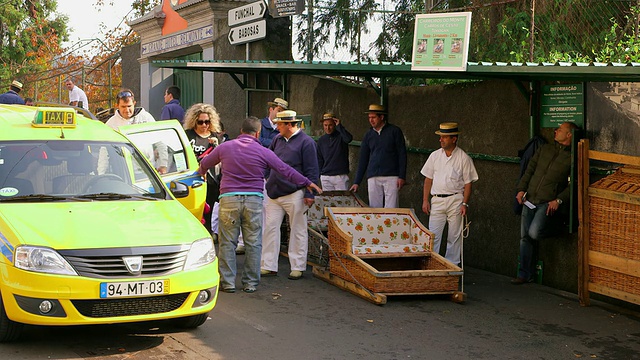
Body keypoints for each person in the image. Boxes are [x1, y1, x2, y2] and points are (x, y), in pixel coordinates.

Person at [197, 116, 322, 293]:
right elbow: (285, 170)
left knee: (227, 243)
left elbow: (205, 164)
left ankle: (228, 283)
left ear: (241, 131)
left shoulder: (225, 147)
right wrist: (307, 182)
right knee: (253, 243)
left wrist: (199, 173)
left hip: (229, 198)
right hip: (254, 200)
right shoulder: (263, 151)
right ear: (257, 133)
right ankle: (250, 283)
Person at [512, 121, 579, 285]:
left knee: (534, 233)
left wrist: (559, 199)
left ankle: (558, 229)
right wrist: (521, 189)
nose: (556, 131)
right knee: (524, 237)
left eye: (560, 130)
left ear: (569, 134)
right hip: (530, 198)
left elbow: (575, 184)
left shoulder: (573, 157)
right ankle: (524, 274)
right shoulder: (545, 148)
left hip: (547, 202)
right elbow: (530, 169)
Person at [261, 110, 320, 280]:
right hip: (274, 192)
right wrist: (266, 176)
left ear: (289, 124)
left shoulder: (307, 142)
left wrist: (310, 193)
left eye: (279, 123)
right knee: (270, 228)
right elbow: (268, 160)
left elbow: (312, 169)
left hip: (295, 192)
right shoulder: (277, 139)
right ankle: (268, 265)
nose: (276, 126)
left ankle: (298, 266)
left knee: (298, 229)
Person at [421, 122, 478, 265]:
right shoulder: (434, 156)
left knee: (454, 236)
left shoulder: (464, 158)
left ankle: (452, 267)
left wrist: (465, 203)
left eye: (444, 137)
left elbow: (468, 183)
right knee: (433, 235)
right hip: (437, 199)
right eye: (440, 137)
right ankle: (431, 265)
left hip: (455, 200)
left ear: (454, 139)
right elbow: (428, 179)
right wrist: (425, 200)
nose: (441, 140)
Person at [350, 104, 407, 208]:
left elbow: (402, 154)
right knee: (374, 209)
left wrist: (402, 176)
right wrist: (356, 182)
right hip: (373, 175)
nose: (371, 120)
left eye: (373, 117)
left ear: (381, 117)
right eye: (369, 118)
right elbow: (363, 158)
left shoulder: (394, 131)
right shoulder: (368, 135)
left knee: (392, 208)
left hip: (391, 175)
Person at [183, 103, 223, 234]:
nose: (204, 125)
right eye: (200, 122)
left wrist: (216, 145)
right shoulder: (187, 135)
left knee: (209, 208)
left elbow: (221, 157)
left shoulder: (215, 137)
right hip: (192, 179)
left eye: (207, 122)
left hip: (210, 180)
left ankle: (208, 232)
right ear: (194, 121)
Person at [317, 112, 353, 190]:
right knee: (328, 201)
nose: (328, 128)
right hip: (325, 176)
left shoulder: (341, 137)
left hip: (340, 176)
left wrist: (340, 126)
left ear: (335, 124)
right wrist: (320, 174)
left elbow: (349, 139)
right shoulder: (321, 140)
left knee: (342, 201)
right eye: (325, 125)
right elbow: (319, 159)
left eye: (330, 125)